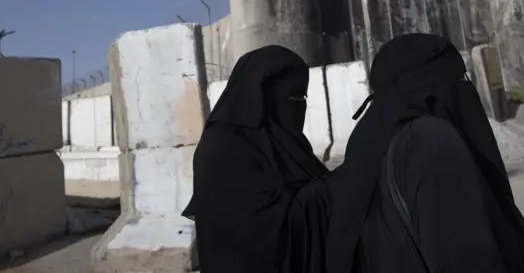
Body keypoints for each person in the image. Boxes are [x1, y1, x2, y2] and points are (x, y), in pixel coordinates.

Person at [326, 33, 524, 273]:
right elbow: (468, 259)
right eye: (460, 78)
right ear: (436, 85)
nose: (465, 88)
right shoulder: (430, 143)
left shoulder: (370, 142)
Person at [182, 45, 332, 273]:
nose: (299, 106)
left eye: (303, 97)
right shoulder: (224, 149)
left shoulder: (284, 142)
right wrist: (331, 190)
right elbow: (263, 230)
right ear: (263, 97)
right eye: (294, 97)